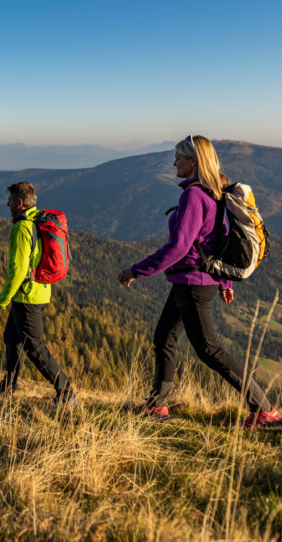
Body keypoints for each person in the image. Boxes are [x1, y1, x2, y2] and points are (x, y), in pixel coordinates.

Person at [117, 135, 279, 429]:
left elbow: (179, 247)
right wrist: (225, 283)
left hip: (193, 282)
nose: (174, 162)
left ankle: (264, 409)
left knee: (209, 349)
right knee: (164, 336)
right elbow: (218, 242)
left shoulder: (193, 196)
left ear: (194, 161)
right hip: (194, 280)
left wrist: (136, 270)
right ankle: (158, 404)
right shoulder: (214, 193)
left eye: (179, 157)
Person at [0, 181, 76, 407]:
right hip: (36, 292)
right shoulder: (38, 220)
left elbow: (18, 271)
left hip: (27, 296)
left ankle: (67, 394)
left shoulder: (22, 228)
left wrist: (1, 300)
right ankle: (8, 387)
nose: (7, 204)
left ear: (20, 203)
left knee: (36, 349)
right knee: (12, 339)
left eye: (10, 200)